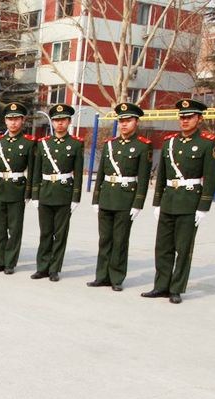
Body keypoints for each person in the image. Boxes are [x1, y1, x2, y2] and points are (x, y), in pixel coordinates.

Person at [141, 98, 215, 304]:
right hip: (169, 200)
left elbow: (211, 177)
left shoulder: (208, 142)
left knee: (183, 248)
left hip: (189, 201)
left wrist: (204, 206)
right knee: (163, 247)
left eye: (189, 117)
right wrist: (157, 201)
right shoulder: (169, 142)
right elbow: (162, 176)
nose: (184, 121)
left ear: (199, 119)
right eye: (182, 117)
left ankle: (176, 288)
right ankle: (161, 286)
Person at [88, 102, 152, 292]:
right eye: (121, 120)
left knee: (120, 240)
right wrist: (96, 198)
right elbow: (100, 174)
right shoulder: (110, 145)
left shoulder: (142, 146)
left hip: (125, 199)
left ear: (136, 122)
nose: (124, 124)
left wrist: (138, 203)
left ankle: (116, 277)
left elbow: (143, 177)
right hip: (107, 197)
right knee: (104, 239)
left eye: (128, 120)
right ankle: (102, 276)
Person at [29, 104, 84, 282]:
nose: (59, 124)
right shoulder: (43, 144)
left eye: (63, 120)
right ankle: (42, 267)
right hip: (45, 193)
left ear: (68, 122)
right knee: (45, 233)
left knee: (60, 235)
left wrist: (76, 197)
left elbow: (78, 173)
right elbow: (36, 171)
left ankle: (55, 269)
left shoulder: (75, 144)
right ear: (52, 122)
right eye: (56, 120)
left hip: (64, 194)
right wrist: (35, 195)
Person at [0, 102, 35, 274]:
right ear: (5, 121)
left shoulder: (29, 143)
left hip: (17, 189)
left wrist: (29, 193)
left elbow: (32, 169)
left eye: (16, 119)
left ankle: (10, 263)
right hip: (0, 188)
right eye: (10, 119)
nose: (13, 123)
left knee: (14, 229)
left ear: (22, 121)